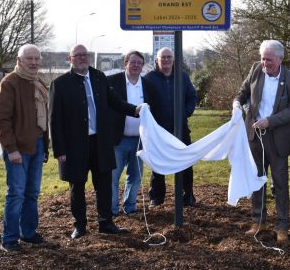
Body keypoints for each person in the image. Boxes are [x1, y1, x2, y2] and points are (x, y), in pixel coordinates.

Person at [49, 44, 139, 239]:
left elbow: (114, 101)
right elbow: (55, 120)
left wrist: (134, 110)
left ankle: (106, 223)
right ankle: (80, 225)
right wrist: (59, 149)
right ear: (70, 59)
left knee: (104, 186)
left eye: (85, 55)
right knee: (77, 187)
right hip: (75, 146)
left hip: (101, 143)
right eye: (78, 55)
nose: (82, 58)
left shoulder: (99, 77)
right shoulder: (60, 84)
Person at [233, 40, 290, 244]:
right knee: (257, 180)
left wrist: (270, 121)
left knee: (280, 183)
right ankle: (258, 221)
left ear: (280, 59)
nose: (264, 63)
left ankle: (282, 226)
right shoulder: (256, 70)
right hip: (255, 136)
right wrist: (237, 103)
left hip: (277, 139)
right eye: (263, 58)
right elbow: (243, 92)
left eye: (269, 60)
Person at [0, 44, 49, 252]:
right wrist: (11, 149)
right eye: (29, 59)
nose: (34, 62)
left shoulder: (38, 82)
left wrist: (45, 146)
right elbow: (2, 121)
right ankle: (9, 239)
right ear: (19, 60)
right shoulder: (9, 83)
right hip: (18, 148)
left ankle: (28, 232)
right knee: (16, 193)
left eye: (37, 59)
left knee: (32, 193)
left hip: (38, 144)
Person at [144, 47, 198, 207]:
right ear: (157, 60)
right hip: (158, 129)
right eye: (163, 57)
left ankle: (187, 195)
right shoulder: (149, 78)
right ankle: (157, 196)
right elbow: (144, 100)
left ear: (173, 60)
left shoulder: (183, 76)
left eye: (169, 57)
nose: (166, 60)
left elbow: (192, 97)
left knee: (185, 162)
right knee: (158, 163)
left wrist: (185, 113)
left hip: (180, 128)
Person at [107, 50, 157, 215]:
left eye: (139, 63)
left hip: (140, 140)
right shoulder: (112, 82)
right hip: (117, 139)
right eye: (132, 62)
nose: (136, 65)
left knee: (135, 176)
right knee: (113, 177)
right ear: (125, 64)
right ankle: (112, 209)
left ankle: (130, 207)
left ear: (142, 66)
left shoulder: (148, 86)